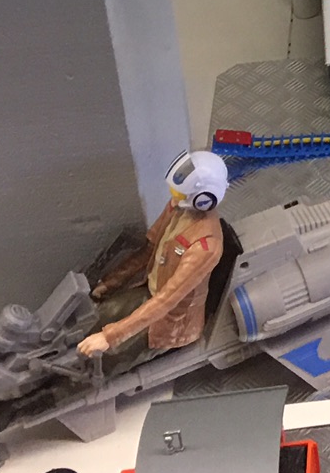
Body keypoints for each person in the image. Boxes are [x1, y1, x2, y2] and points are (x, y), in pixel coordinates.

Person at [77, 151, 227, 359]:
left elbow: (167, 300)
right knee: (99, 317)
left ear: (202, 199)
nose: (173, 195)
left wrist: (109, 338)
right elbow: (149, 250)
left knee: (111, 358)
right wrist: (109, 284)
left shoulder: (206, 246)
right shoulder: (177, 208)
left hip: (171, 320)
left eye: (180, 193)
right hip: (151, 291)